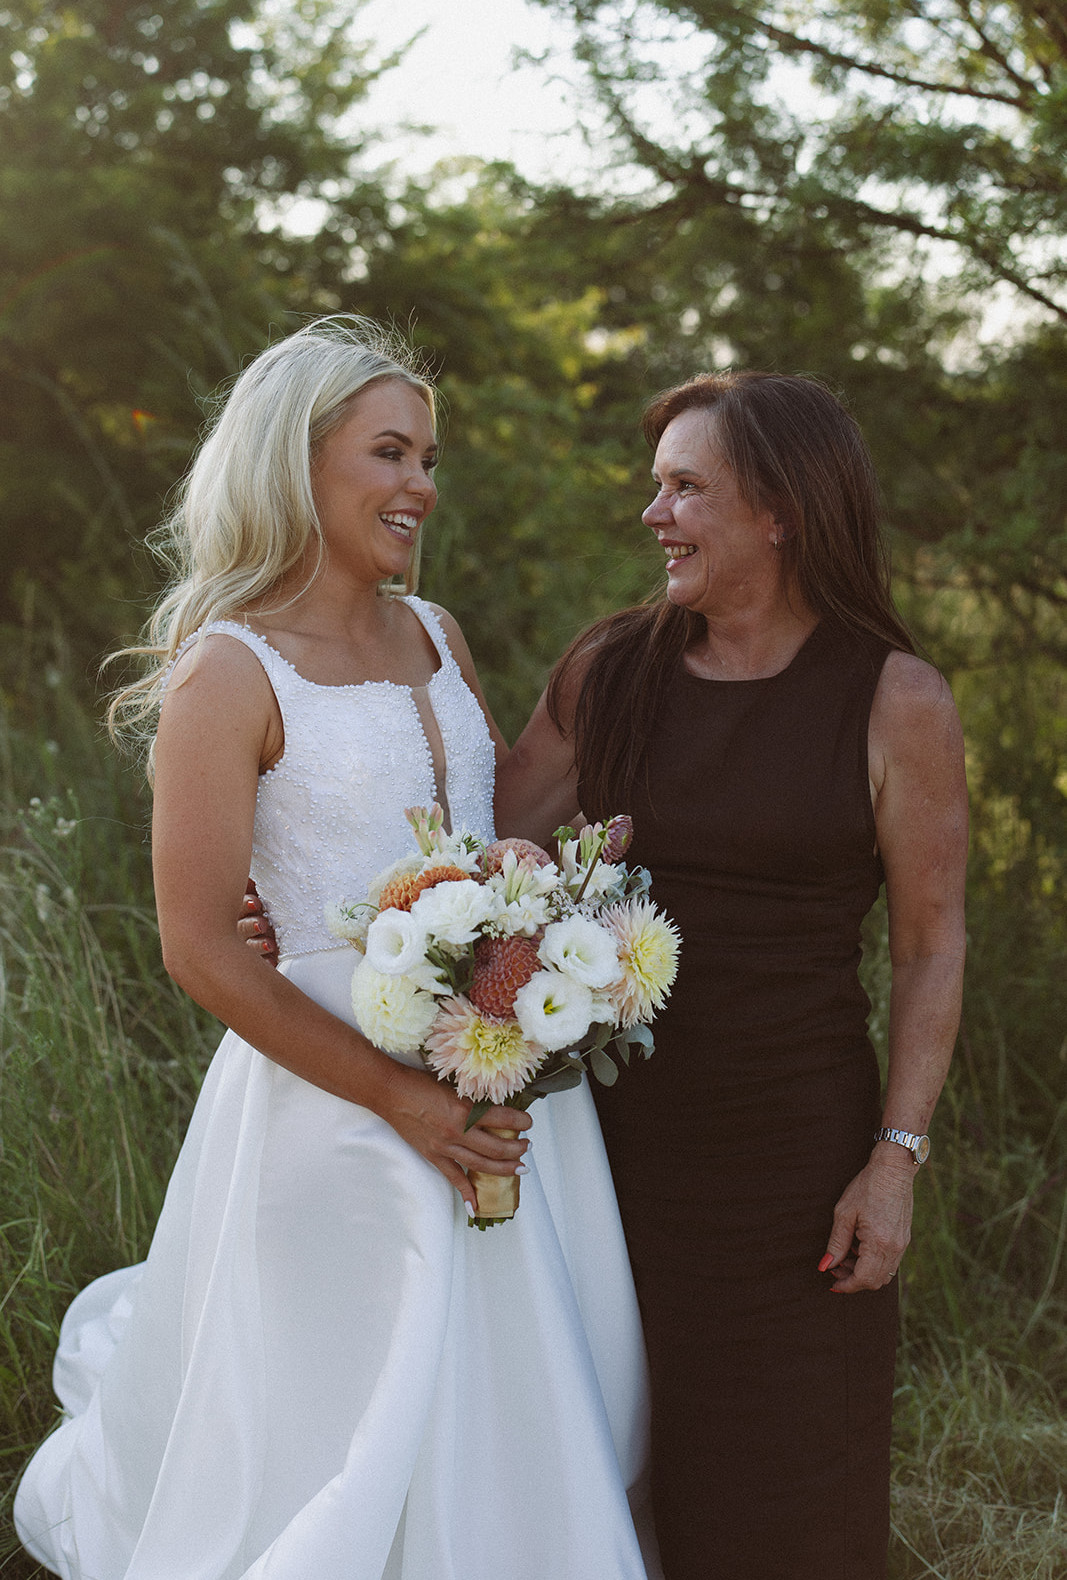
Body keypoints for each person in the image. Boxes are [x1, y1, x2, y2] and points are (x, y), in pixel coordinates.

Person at [14, 317, 654, 1580]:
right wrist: (403, 1101)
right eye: (388, 453)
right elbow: (200, 947)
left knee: (513, 1373)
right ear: (295, 464)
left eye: (427, 458)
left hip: (496, 1064)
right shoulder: (226, 673)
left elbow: (479, 824)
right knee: (359, 1391)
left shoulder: (438, 634)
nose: (420, 485)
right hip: (336, 1097)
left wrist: (536, 881)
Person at [495, 371, 968, 1580]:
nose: (652, 514)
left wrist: (893, 1159)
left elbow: (929, 944)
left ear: (780, 511)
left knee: (788, 1499)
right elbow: (474, 841)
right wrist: (300, 894)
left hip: (794, 1173)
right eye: (655, 487)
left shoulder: (894, 699)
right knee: (598, 1477)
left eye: (684, 488)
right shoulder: (608, 671)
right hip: (600, 1156)